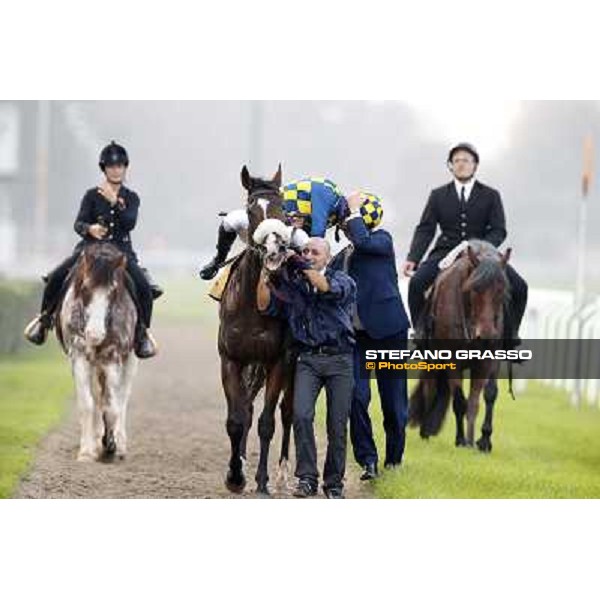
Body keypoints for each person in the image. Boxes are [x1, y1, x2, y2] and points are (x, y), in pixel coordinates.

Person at [24, 141, 161, 359]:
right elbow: (78, 223)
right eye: (111, 166)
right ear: (104, 169)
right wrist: (90, 228)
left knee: (144, 287)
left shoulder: (132, 197)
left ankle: (142, 333)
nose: (115, 169)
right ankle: (44, 321)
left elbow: (129, 223)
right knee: (55, 277)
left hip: (121, 253)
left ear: (125, 168)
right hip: (89, 251)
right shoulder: (91, 196)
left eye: (119, 166)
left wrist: (115, 201)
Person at [256, 237, 356, 499]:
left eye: (315, 252)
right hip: (308, 360)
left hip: (340, 360)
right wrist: (266, 272)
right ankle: (307, 479)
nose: (309, 255)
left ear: (327, 257)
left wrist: (299, 262)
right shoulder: (294, 285)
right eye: (306, 251)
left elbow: (323, 287)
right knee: (301, 416)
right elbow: (264, 305)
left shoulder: (343, 280)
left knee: (337, 425)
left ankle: (334, 483)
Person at [402, 142, 528, 346]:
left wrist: (484, 247)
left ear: (475, 165)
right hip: (446, 252)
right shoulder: (438, 195)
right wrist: (413, 258)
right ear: (451, 166)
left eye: (466, 160)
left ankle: (510, 336)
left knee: (520, 287)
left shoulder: (491, 195)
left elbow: (499, 229)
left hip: (484, 253)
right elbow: (426, 228)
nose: (461, 164)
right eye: (456, 161)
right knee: (416, 284)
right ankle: (421, 332)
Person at [331, 191, 411, 480]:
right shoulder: (339, 258)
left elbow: (362, 239)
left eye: (348, 220)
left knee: (393, 403)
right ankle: (368, 461)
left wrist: (352, 210)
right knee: (355, 396)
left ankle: (394, 460)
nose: (344, 226)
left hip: (389, 333)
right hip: (356, 340)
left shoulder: (382, 240)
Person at [198, 176, 345, 280]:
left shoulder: (328, 197)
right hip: (258, 226)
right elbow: (318, 231)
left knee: (304, 241)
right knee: (232, 219)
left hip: (283, 230)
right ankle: (217, 260)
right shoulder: (326, 194)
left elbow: (315, 237)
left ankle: (312, 289)